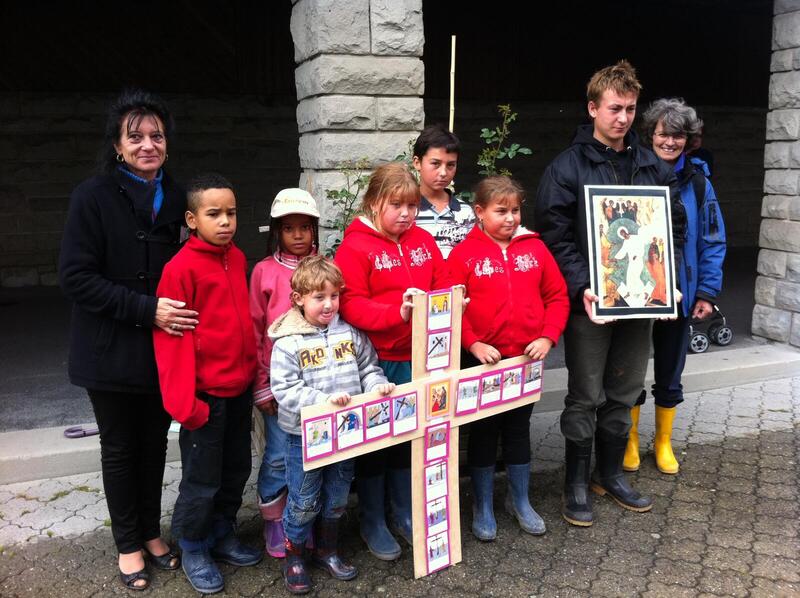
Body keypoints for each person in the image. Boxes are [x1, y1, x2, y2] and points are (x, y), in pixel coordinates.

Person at [533, 60, 684, 527]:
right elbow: (554, 236)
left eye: (630, 109)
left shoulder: (650, 166)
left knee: (625, 391)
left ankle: (610, 474)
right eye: (614, 108)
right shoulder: (567, 167)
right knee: (585, 395)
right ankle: (575, 483)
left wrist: (667, 279)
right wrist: (585, 286)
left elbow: (670, 226)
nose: (622, 118)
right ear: (593, 107)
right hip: (591, 307)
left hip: (641, 302)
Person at [59, 88, 196, 591]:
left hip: (164, 350)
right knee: (120, 447)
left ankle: (151, 532)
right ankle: (127, 544)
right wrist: (145, 308)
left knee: (155, 444)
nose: (147, 144)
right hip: (109, 348)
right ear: (118, 146)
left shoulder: (181, 199)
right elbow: (75, 277)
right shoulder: (91, 198)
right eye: (134, 136)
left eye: (156, 135)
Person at [334, 162, 451, 560]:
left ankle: (403, 512)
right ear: (373, 203)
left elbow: (442, 282)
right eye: (395, 205)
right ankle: (372, 520)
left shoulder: (422, 241)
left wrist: (452, 304)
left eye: (412, 206)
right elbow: (350, 305)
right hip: (376, 363)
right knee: (376, 443)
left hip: (420, 358)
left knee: (409, 438)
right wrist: (394, 314)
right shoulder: (355, 248)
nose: (405, 214)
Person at [153, 173, 261, 594]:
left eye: (231, 213)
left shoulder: (235, 258)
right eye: (213, 214)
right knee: (202, 480)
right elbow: (171, 342)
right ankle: (194, 544)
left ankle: (222, 533)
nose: (225, 222)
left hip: (239, 389)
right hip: (204, 397)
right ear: (191, 219)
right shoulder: (179, 269)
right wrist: (186, 405)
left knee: (236, 469)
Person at [448, 176, 569, 541]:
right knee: (483, 433)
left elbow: (558, 296)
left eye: (515, 210)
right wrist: (472, 343)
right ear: (479, 212)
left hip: (524, 363)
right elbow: (451, 307)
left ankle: (520, 500)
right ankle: (483, 506)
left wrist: (548, 336)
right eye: (501, 211)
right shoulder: (464, 255)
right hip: (482, 362)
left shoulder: (535, 250)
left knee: (518, 431)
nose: (510, 218)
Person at [270, 256, 395, 594]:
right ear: (299, 299)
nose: (328, 305)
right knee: (304, 498)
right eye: (318, 297)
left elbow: (369, 367)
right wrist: (321, 401)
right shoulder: (287, 341)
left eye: (334, 297)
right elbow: (284, 389)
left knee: (338, 494)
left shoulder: (350, 333)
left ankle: (327, 549)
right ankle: (294, 556)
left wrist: (375, 386)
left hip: (347, 432)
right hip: (303, 436)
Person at [625, 98, 726, 474]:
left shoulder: (699, 184)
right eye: (663, 134)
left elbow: (713, 240)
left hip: (681, 294)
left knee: (671, 369)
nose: (670, 142)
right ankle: (630, 440)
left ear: (689, 139)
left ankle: (663, 442)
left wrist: (706, 292)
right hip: (636, 291)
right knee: (631, 368)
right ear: (651, 134)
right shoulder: (632, 173)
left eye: (678, 135)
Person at [250, 188, 320, 558]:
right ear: (276, 231)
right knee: (278, 454)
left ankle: (301, 517)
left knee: (309, 454)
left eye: (304, 228)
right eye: (288, 228)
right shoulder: (263, 272)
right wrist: (262, 386)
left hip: (319, 382)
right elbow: (256, 330)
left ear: (314, 231)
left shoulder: (324, 268)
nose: (297, 235)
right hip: (280, 386)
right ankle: (274, 521)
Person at [412, 124, 476, 257]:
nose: (443, 172)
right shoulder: (406, 210)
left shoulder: (465, 212)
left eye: (451, 165)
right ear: (417, 162)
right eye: (435, 163)